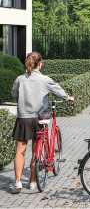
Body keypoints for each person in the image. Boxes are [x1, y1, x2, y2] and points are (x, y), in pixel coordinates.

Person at [10, 52, 74, 194]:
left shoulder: (20, 79)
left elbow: (14, 94)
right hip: (39, 119)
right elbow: (59, 91)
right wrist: (68, 97)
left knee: (20, 151)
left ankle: (18, 182)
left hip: (23, 119)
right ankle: (33, 182)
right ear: (40, 64)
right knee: (35, 151)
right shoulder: (45, 79)